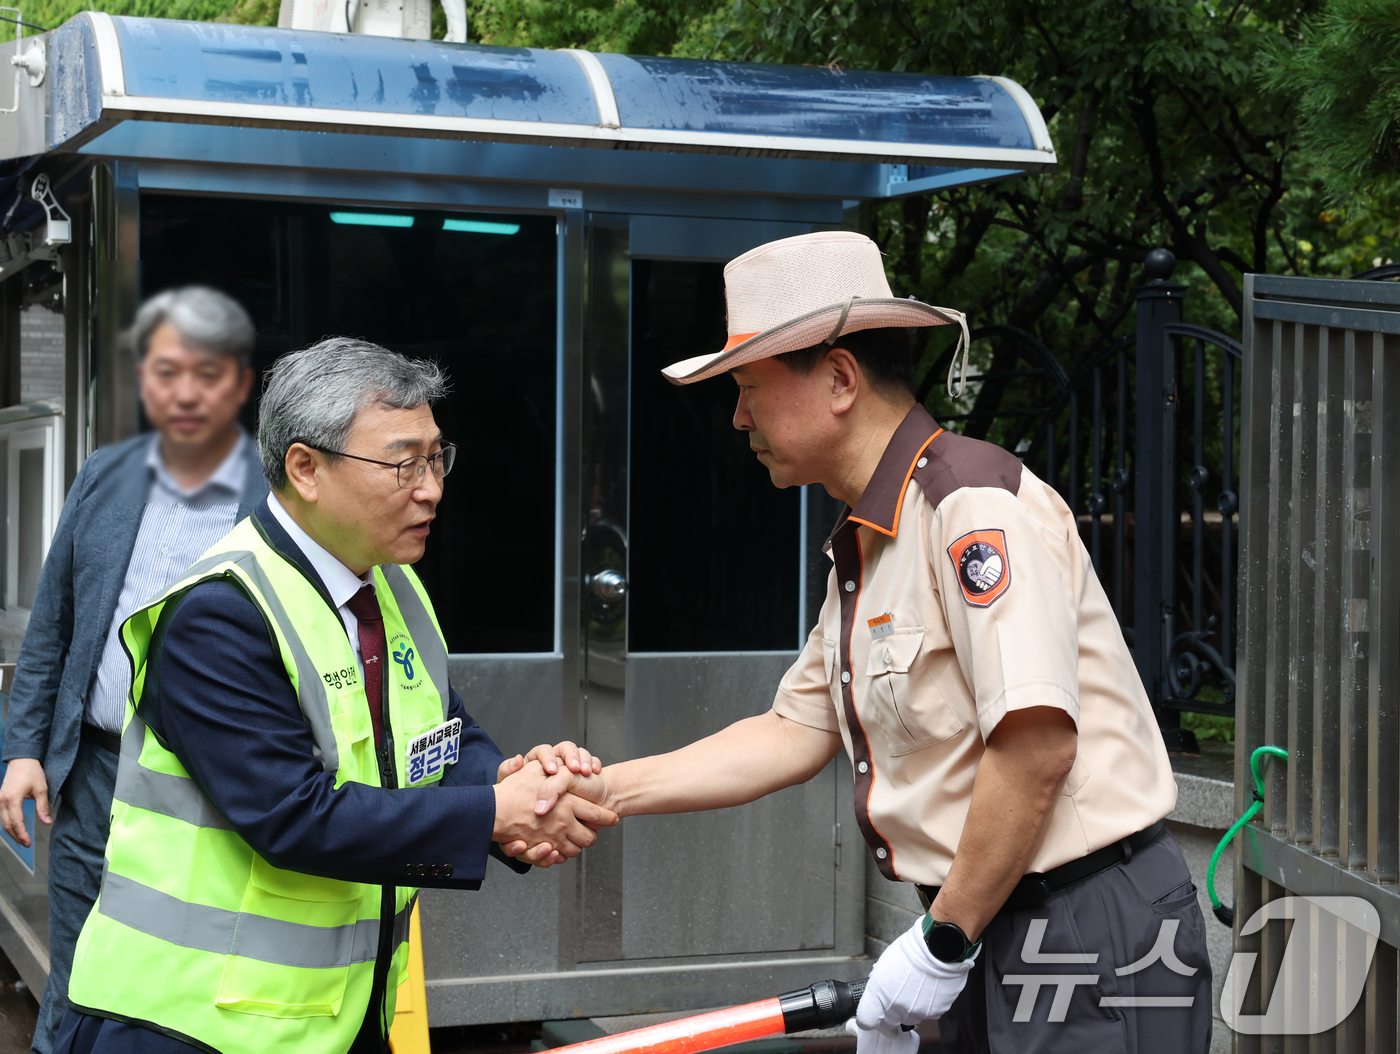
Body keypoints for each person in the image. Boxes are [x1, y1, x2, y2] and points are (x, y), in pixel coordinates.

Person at [565, 232, 1211, 1052]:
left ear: (838, 378)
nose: (736, 418)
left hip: (1080, 922)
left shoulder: (971, 505)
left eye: (749, 387)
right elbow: (793, 731)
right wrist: (599, 794)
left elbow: (1035, 745)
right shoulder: (875, 534)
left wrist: (943, 942)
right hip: (987, 919)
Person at [53, 337, 613, 1054]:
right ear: (305, 469)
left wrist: (516, 787)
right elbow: (294, 816)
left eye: (437, 457)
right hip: (195, 1022)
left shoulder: (391, 585)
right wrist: (492, 815)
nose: (432, 486)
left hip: (332, 1017)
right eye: (402, 462)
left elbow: (445, 738)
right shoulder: (220, 613)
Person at [0, 287, 269, 1054]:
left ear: (240, 384)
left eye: (207, 372)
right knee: (78, 965)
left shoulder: (280, 492)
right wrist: (24, 752)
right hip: (95, 773)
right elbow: (54, 624)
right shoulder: (105, 476)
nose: (185, 392)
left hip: (211, 782)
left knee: (189, 976)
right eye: (165, 371)